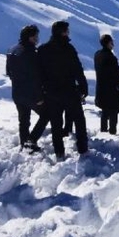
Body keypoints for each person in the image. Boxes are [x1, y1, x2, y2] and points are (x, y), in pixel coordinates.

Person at [37, 21, 89, 159]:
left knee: (56, 122)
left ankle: (59, 151)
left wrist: (42, 90)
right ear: (63, 32)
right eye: (67, 31)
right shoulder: (68, 48)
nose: (68, 33)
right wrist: (83, 86)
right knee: (79, 119)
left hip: (51, 92)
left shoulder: (43, 49)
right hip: (69, 90)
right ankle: (83, 148)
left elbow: (39, 72)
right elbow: (78, 69)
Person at [6, 24, 46, 152]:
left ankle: (24, 144)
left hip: (17, 92)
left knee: (23, 120)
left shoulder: (12, 50)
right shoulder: (30, 53)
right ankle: (31, 140)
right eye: (36, 36)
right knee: (46, 114)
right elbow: (35, 77)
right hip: (31, 94)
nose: (37, 39)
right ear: (30, 37)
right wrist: (39, 96)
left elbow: (9, 72)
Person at [94, 34, 119, 134]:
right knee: (113, 111)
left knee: (105, 111)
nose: (113, 44)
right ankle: (112, 132)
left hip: (101, 87)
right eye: (112, 42)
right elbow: (116, 75)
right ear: (108, 43)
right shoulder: (111, 58)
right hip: (111, 89)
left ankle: (103, 131)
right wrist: (118, 81)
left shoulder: (97, 55)